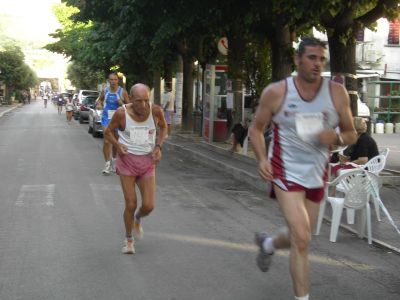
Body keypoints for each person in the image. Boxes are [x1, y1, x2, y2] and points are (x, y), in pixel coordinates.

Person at [249, 37, 357, 300]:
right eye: (311, 58)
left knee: (302, 235)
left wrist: (338, 139)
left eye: (321, 59)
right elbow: (256, 129)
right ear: (298, 60)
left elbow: (351, 132)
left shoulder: (336, 93)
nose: (317, 64)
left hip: (317, 172)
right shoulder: (277, 92)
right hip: (284, 171)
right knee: (302, 237)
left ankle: (268, 243)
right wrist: (262, 159)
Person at [104, 83, 167, 254]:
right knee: (131, 203)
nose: (144, 105)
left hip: (147, 163)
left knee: (148, 206)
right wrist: (118, 145)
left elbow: (164, 127)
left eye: (147, 100)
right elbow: (108, 132)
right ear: (131, 99)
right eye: (139, 101)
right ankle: (128, 239)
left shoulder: (155, 111)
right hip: (127, 163)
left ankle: (138, 218)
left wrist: (159, 147)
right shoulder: (121, 113)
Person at [97, 72, 129, 175]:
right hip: (106, 118)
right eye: (111, 80)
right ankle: (107, 164)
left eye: (115, 79)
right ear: (108, 81)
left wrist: (122, 103)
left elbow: (129, 106)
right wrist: (100, 105)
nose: (113, 82)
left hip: (118, 119)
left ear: (117, 81)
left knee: (115, 142)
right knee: (107, 141)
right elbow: (100, 101)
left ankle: (114, 162)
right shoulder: (105, 90)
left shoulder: (122, 92)